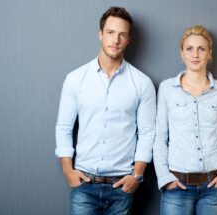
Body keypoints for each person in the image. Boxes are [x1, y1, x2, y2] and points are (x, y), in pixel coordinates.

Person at [55, 7, 156, 215]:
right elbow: (64, 127)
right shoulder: (75, 79)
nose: (115, 40)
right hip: (84, 184)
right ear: (100, 34)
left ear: (128, 40)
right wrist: (67, 170)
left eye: (122, 34)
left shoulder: (142, 84)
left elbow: (147, 133)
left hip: (122, 186)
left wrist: (136, 176)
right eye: (110, 32)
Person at [153, 25, 217, 215]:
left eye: (201, 49)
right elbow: (160, 137)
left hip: (214, 188)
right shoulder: (167, 89)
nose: (195, 54)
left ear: (209, 53)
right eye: (189, 48)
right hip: (176, 186)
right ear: (181, 53)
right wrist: (164, 177)